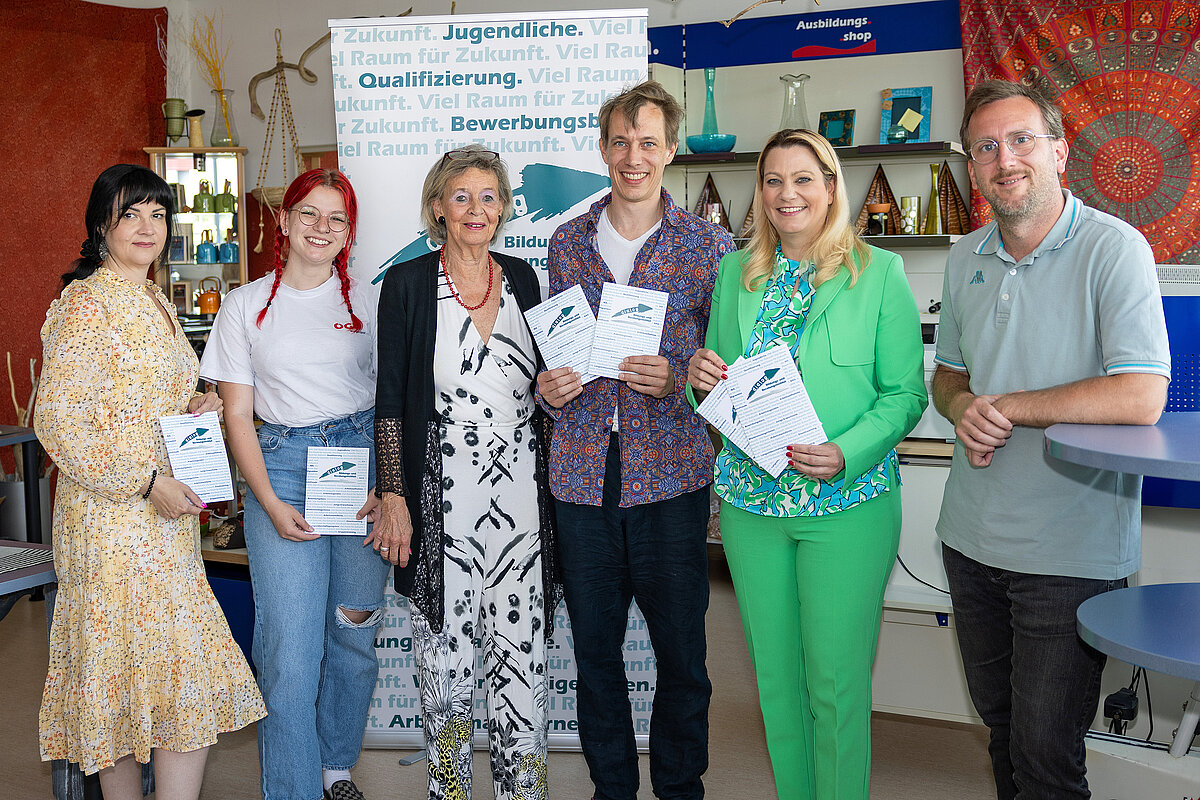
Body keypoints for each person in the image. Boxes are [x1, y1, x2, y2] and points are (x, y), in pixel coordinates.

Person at [932, 79, 1171, 799]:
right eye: (986, 147)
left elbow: (1141, 393)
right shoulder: (964, 256)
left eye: (1022, 139)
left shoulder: (1115, 250)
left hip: (1069, 553)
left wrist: (1009, 405)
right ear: (973, 167)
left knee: (1046, 758)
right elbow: (946, 376)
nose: (1005, 159)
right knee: (1002, 729)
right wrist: (964, 404)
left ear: (1060, 150)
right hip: (971, 541)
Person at [687, 128, 927, 799]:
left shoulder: (877, 272)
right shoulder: (735, 272)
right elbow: (714, 379)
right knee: (776, 680)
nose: (786, 194)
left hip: (845, 506)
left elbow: (903, 394)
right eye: (772, 181)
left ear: (829, 188)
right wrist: (696, 377)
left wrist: (847, 452)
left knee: (835, 680)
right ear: (759, 193)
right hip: (749, 505)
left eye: (801, 179)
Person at [34, 163, 265, 799]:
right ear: (99, 225)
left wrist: (195, 403)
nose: (146, 227)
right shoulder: (84, 304)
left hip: (164, 525)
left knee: (173, 674)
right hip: (113, 525)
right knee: (122, 677)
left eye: (157, 215)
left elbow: (138, 396)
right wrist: (142, 481)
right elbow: (58, 422)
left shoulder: (154, 298)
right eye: (129, 213)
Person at [534, 80, 735, 800]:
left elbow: (730, 366)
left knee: (683, 655)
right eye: (620, 141)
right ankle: (611, 789)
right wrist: (546, 390)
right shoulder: (567, 242)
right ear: (603, 149)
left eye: (647, 141)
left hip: (672, 476)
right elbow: (552, 358)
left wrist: (681, 374)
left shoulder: (712, 246)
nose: (632, 156)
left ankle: (681, 788)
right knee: (595, 655)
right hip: (584, 477)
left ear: (671, 150)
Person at [371, 145, 562, 800]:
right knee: (444, 676)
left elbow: (537, 392)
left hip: (523, 506)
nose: (475, 209)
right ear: (438, 209)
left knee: (522, 672)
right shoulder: (407, 285)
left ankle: (521, 794)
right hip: (440, 498)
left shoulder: (525, 280)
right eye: (461, 197)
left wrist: (554, 391)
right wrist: (394, 496)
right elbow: (391, 402)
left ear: (505, 208)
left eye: (488, 197)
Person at [200, 168, 389, 800]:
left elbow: (397, 398)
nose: (321, 228)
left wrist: (387, 483)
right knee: (288, 646)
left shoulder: (370, 300)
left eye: (336, 219)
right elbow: (235, 414)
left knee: (353, 628)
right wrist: (269, 501)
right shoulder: (245, 305)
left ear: (348, 233)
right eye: (308, 213)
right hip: (279, 467)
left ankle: (336, 769)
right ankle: (292, 787)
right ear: (284, 221)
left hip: (361, 471)